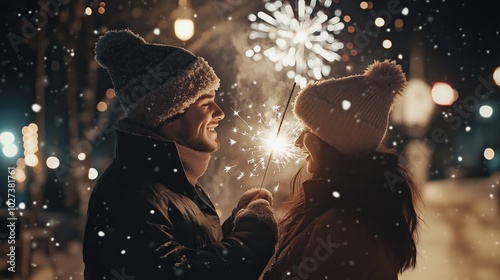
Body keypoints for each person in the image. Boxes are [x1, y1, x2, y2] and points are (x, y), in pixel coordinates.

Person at [83, 29, 277, 280]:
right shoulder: (130, 194)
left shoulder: (172, 185)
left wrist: (239, 224)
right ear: (169, 116)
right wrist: (253, 237)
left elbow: (192, 254)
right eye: (206, 104)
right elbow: (177, 274)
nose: (220, 113)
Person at [262, 60, 421, 280]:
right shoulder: (347, 212)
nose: (298, 141)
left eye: (307, 129)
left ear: (332, 142)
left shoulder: (343, 230)